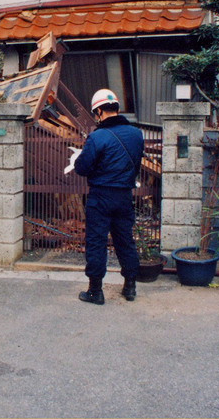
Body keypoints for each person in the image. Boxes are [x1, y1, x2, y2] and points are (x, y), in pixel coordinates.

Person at [74, 89, 145, 305]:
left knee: (96, 241)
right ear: (117, 108)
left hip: (101, 196)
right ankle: (130, 287)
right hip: (124, 195)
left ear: (98, 111)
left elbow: (82, 168)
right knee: (125, 240)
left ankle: (96, 291)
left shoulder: (97, 137)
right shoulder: (136, 134)